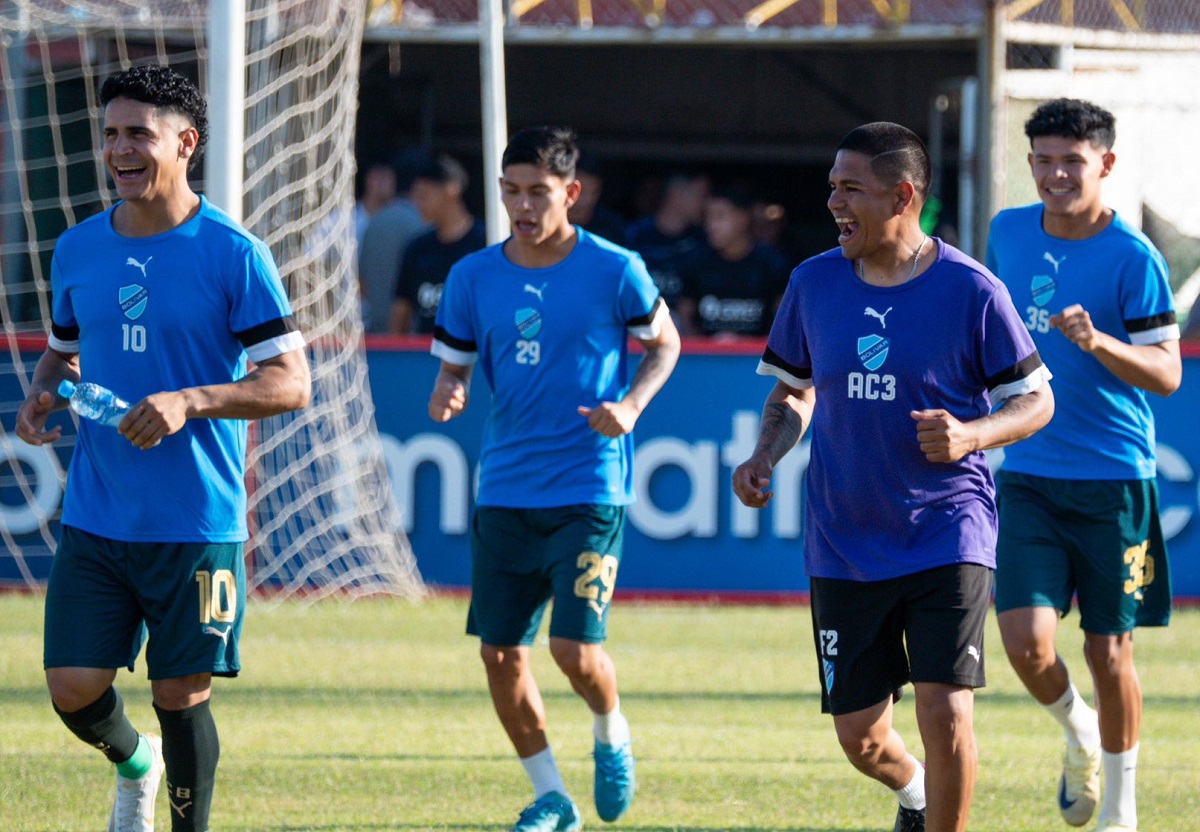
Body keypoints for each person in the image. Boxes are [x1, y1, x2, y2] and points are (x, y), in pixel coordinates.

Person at [732, 121, 1054, 832]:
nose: (834, 203)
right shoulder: (812, 282)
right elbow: (791, 390)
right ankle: (914, 795)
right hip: (845, 538)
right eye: (831, 187)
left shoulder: (972, 289)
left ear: (903, 194)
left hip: (948, 531)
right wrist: (765, 455)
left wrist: (973, 434)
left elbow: (1036, 400)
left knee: (946, 712)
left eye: (851, 189)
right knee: (861, 736)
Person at [14, 65, 311, 832]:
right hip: (98, 512)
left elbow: (291, 383)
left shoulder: (233, 253)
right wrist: (45, 391)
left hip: (195, 523)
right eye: (110, 133)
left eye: (138, 134)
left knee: (181, 695)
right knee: (72, 687)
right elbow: (63, 349)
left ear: (186, 143)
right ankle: (135, 765)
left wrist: (193, 399)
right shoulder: (78, 247)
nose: (119, 149)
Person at [428, 125, 680, 832]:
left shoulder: (614, 268)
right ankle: (551, 798)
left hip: (590, 485)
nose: (522, 205)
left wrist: (630, 405)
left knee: (574, 650)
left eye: (538, 192)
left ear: (571, 192)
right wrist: (450, 389)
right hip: (504, 490)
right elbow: (455, 362)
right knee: (500, 654)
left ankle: (610, 730)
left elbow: (666, 344)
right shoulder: (473, 276)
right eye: (511, 190)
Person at [987, 98, 1182, 832]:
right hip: (1028, 475)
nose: (1056, 174)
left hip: (1114, 482)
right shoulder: (1007, 232)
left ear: (1106, 162)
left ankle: (1121, 816)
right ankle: (1079, 733)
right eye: (1043, 160)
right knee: (1026, 646)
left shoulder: (1135, 258)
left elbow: (1167, 374)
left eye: (1072, 160)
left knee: (1110, 649)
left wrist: (1099, 343)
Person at [389, 154, 486, 335]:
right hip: (427, 357)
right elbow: (400, 315)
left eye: (424, 195)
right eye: (416, 196)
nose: (418, 203)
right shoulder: (417, 248)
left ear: (451, 191)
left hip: (475, 355)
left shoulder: (486, 243)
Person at [676, 184, 791, 338]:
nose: (711, 225)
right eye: (708, 217)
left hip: (758, 358)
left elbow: (784, 321)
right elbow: (684, 318)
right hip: (704, 358)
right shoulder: (695, 261)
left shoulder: (772, 263)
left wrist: (748, 345)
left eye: (719, 216)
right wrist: (704, 347)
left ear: (743, 218)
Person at [358, 149, 428, 334]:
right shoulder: (422, 225)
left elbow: (362, 282)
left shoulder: (373, 223)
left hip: (375, 336)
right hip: (413, 339)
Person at [625, 169, 710, 315]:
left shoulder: (704, 242)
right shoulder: (635, 237)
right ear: (677, 195)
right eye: (702, 195)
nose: (706, 204)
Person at [567, 149, 627, 245]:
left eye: (586, 192)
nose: (579, 199)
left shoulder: (611, 228)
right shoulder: (545, 224)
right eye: (572, 190)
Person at [355, 160, 397, 251]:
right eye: (381, 178)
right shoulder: (343, 219)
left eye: (389, 178)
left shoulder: (397, 221)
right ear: (369, 181)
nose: (387, 183)